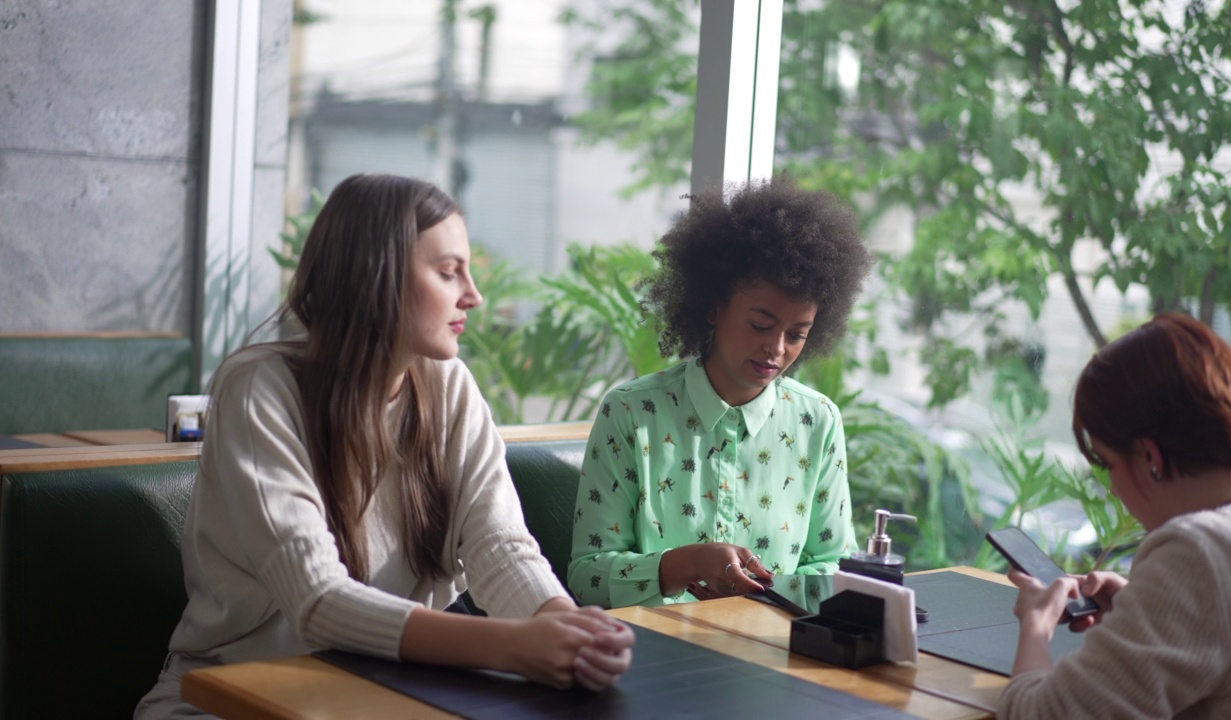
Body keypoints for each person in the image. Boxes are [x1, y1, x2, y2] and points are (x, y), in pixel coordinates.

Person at [136, 173, 634, 718]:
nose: (474, 295)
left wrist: (563, 625)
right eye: (448, 273)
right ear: (377, 275)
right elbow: (319, 601)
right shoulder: (259, 388)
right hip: (230, 697)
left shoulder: (450, 386)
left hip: (387, 695)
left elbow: (500, 546)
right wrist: (515, 646)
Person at [567, 176, 874, 608]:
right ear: (712, 306)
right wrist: (683, 565)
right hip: (656, 658)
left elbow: (831, 563)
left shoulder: (817, 421)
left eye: (797, 334)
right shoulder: (631, 414)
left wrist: (773, 601)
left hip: (771, 652)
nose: (777, 348)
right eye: (761, 325)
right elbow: (587, 578)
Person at [1000, 312, 1231, 718]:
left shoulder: (1199, 553)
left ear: (1150, 458)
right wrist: (1144, 605)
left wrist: (1036, 623)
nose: (1113, 487)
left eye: (1110, 464)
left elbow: (1042, 715)